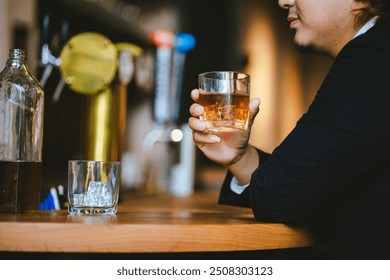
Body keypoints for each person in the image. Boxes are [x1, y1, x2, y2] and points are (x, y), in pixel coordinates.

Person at [188, 0, 390, 259]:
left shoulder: (372, 56)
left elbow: (281, 198)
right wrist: (241, 158)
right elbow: (309, 187)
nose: (283, 1)